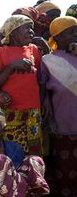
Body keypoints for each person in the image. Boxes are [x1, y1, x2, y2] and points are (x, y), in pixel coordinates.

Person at [0, 15, 43, 155]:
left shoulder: (33, 50)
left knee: (34, 149)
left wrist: (44, 102)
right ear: (13, 32)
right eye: (27, 28)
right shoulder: (2, 52)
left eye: (32, 28)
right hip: (11, 110)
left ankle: (33, 175)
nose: (31, 31)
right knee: (12, 149)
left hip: (33, 109)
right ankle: (12, 176)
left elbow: (40, 80)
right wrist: (11, 67)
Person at [39, 16, 77, 196]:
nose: (76, 35)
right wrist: (46, 102)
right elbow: (42, 88)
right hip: (63, 125)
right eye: (71, 32)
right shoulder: (48, 60)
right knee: (66, 174)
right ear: (58, 37)